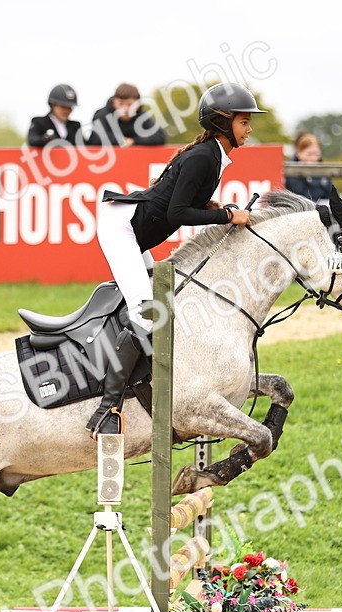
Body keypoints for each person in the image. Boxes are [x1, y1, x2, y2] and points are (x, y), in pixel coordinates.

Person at [85, 82, 263, 435]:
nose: (249, 128)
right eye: (244, 122)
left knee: (162, 304)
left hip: (132, 226)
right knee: (146, 314)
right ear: (223, 122)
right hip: (122, 230)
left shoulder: (214, 155)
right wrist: (228, 216)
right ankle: (107, 410)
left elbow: (180, 201)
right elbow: (178, 213)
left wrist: (215, 207)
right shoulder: (203, 157)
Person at [84, 83, 167, 147]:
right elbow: (96, 138)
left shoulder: (142, 117)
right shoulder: (102, 114)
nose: (125, 109)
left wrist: (134, 141)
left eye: (130, 105)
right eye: (121, 104)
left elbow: (160, 136)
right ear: (114, 101)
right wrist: (122, 141)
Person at [283, 132, 333, 204]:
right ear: (298, 153)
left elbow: (329, 193)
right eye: (309, 154)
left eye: (316, 154)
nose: (313, 158)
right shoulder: (291, 170)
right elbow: (299, 194)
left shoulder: (324, 170)